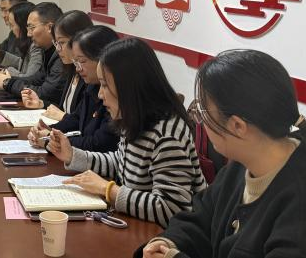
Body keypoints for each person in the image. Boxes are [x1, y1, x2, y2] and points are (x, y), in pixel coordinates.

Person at [142, 50, 306, 258]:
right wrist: (167, 242)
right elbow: (201, 218)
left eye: (203, 111)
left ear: (237, 126)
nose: (201, 121)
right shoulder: (243, 164)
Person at [48, 37, 206, 227]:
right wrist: (72, 155)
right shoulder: (133, 119)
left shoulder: (167, 134)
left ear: (129, 87)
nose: (100, 94)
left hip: (164, 237)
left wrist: (109, 190)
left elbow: (172, 209)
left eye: (105, 85)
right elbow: (121, 162)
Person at [28, 25, 119, 153]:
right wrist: (51, 130)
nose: (77, 68)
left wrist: (51, 139)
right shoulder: (92, 85)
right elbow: (77, 118)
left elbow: (99, 144)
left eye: (82, 61)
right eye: (76, 62)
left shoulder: (116, 96)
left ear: (102, 59)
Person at [21, 10, 93, 120]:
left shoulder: (90, 77)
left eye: (62, 42)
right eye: (56, 43)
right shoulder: (71, 68)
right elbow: (64, 110)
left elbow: (85, 122)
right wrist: (41, 103)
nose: (58, 49)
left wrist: (63, 117)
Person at [0, 2, 66, 105]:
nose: (29, 34)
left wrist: (8, 83)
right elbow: (35, 79)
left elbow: (45, 93)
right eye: (28, 28)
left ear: (50, 27)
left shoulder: (62, 55)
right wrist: (7, 79)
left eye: (32, 28)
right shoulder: (47, 50)